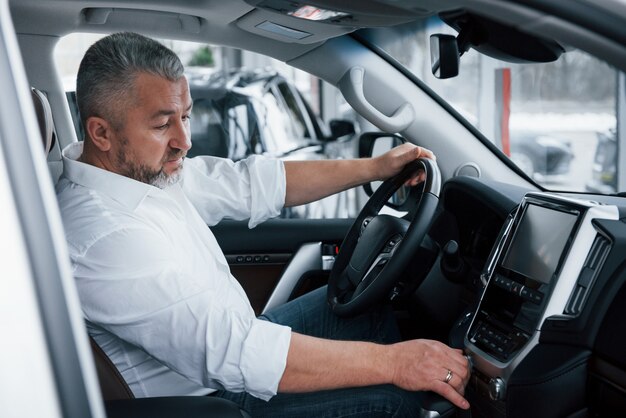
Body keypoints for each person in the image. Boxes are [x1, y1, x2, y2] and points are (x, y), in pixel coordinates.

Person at [56, 32, 470, 417]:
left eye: (186, 116)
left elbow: (251, 183)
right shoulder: (105, 236)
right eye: (163, 124)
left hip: (237, 346)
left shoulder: (137, 173)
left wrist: (376, 167)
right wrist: (398, 364)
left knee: (366, 311)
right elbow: (234, 353)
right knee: (393, 400)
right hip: (212, 399)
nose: (185, 140)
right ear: (102, 133)